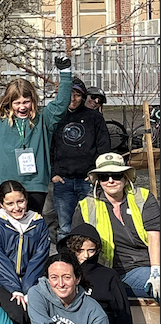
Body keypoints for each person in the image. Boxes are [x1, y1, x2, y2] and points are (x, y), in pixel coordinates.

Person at [0, 53, 74, 214]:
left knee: (32, 224)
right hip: (6, 183)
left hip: (35, 184)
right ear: (9, 102)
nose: (22, 107)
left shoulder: (44, 119)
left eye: (26, 102)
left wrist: (65, 73)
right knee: (9, 225)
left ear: (33, 101)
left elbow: (61, 103)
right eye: (17, 103)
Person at [72, 152, 161, 301]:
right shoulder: (86, 206)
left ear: (125, 178)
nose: (110, 181)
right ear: (98, 181)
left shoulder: (143, 197)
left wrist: (156, 270)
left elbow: (154, 235)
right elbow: (75, 246)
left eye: (116, 175)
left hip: (152, 266)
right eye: (104, 177)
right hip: (116, 273)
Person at [61, 224, 141, 324]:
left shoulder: (108, 276)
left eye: (91, 250)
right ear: (71, 249)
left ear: (97, 250)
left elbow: (122, 316)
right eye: (79, 250)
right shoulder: (59, 272)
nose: (85, 256)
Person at [0, 180, 51, 324]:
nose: (17, 207)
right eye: (10, 203)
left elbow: (39, 258)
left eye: (20, 201)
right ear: (1, 204)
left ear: (26, 199)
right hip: (1, 279)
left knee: (37, 308)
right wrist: (15, 289)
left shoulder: (38, 223)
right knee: (15, 313)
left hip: (32, 278)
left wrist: (27, 288)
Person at [50, 79, 111, 235]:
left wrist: (97, 173)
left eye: (77, 95)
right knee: (65, 227)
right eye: (69, 94)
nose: (73, 98)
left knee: (92, 224)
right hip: (63, 180)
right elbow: (48, 147)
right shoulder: (55, 116)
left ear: (83, 97)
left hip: (87, 179)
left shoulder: (94, 117)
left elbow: (103, 147)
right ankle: (65, 251)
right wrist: (53, 173)